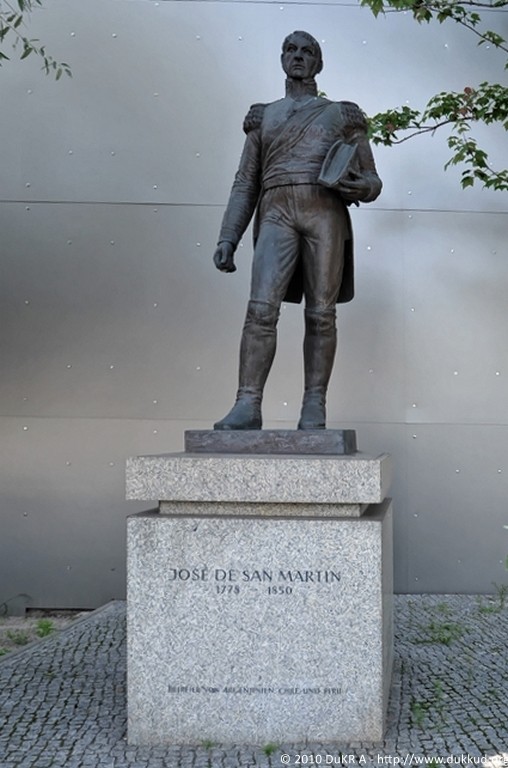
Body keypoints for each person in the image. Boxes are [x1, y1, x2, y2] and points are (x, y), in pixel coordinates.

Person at [213, 30, 382, 430]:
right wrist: (228, 236)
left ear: (319, 63)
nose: (299, 56)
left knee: (321, 314)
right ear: (282, 59)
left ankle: (314, 404)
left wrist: (361, 186)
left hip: (324, 213)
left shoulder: (343, 114)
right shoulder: (263, 116)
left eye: (308, 52)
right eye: (291, 50)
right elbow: (245, 182)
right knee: (260, 309)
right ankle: (247, 403)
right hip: (277, 211)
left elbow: (372, 179)